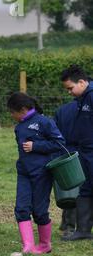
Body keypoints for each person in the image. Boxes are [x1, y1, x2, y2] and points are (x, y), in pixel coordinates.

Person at [7, 92, 65, 254]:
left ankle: (45, 245)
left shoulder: (45, 122)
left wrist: (36, 146)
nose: (11, 115)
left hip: (42, 174)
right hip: (24, 173)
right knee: (21, 208)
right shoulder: (19, 128)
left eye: (13, 112)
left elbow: (60, 144)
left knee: (39, 211)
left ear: (24, 110)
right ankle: (28, 246)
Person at [60, 64, 93, 241]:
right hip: (85, 152)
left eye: (71, 88)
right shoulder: (83, 99)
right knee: (85, 189)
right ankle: (83, 230)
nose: (69, 92)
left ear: (81, 82)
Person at [53, 100, 78, 238]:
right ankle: (71, 226)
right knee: (79, 191)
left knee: (70, 189)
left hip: (65, 153)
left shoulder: (62, 110)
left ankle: (66, 223)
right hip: (82, 152)